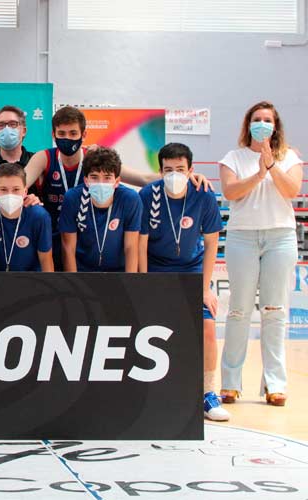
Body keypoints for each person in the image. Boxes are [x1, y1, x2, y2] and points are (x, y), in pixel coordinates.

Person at [23, 106, 212, 271]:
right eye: (62, 134)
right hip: (55, 236)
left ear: (83, 135)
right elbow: (19, 184)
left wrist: (182, 177)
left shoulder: (96, 157)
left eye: (73, 133)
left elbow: (144, 178)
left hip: (87, 236)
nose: (67, 138)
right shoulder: (44, 158)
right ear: (53, 135)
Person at [219, 101, 302, 408]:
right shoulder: (233, 158)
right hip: (243, 237)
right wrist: (257, 173)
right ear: (248, 124)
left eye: (268, 120)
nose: (262, 124)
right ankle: (230, 383)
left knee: (275, 310)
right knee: (239, 311)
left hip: (280, 237)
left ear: (275, 125)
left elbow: (291, 190)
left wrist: (271, 165)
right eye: (257, 119)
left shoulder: (289, 157)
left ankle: (275, 385)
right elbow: (230, 193)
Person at [138, 143, 228, 421]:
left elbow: (212, 243)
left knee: (208, 327)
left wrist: (205, 287)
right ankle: (150, 391)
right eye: (168, 170)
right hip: (156, 269)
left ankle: (208, 393)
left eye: (180, 169)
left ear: (191, 170)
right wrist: (141, 284)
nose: (174, 174)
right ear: (159, 170)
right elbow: (140, 244)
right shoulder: (147, 195)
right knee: (150, 330)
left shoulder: (203, 194)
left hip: (191, 270)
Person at [59, 147, 141, 272]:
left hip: (118, 272)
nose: (101, 183)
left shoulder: (130, 199)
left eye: (107, 177)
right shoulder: (72, 198)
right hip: (83, 272)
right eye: (94, 177)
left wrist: (130, 283)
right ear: (86, 180)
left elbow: (131, 247)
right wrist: (73, 286)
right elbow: (68, 248)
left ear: (117, 181)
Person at [0, 163, 53, 272]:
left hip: (33, 281)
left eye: (16, 189)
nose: (10, 194)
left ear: (25, 191)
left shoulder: (40, 216)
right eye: (3, 189)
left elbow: (46, 262)